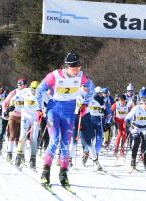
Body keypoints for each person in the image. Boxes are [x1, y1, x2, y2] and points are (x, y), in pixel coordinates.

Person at [36, 52, 94, 188]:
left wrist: (85, 104)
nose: (77, 71)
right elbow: (39, 90)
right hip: (53, 111)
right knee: (54, 139)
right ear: (67, 67)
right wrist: (39, 109)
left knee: (65, 144)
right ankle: (45, 172)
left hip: (69, 112)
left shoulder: (81, 76)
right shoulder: (54, 76)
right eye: (74, 69)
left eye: (79, 68)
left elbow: (91, 88)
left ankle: (63, 173)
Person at [79, 86, 112, 171]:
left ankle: (95, 156)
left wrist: (107, 122)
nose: (100, 95)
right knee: (89, 139)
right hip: (90, 121)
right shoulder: (90, 100)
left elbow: (109, 114)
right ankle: (86, 153)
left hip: (99, 121)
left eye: (101, 94)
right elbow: (82, 109)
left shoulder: (104, 102)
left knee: (99, 139)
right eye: (98, 94)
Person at [15, 81, 42, 169]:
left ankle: (32, 159)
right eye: (32, 89)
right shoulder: (25, 91)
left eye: (36, 90)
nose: (34, 91)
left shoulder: (42, 93)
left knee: (34, 138)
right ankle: (19, 156)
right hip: (25, 117)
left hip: (35, 119)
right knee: (22, 135)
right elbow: (15, 98)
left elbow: (49, 102)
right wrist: (12, 106)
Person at [125, 94, 146, 171]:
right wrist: (128, 124)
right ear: (142, 103)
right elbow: (127, 118)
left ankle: (145, 162)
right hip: (136, 127)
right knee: (136, 141)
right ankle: (133, 160)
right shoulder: (137, 108)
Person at [2, 78, 28, 161]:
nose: (21, 86)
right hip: (13, 116)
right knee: (12, 135)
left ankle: (21, 154)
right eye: (19, 85)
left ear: (26, 85)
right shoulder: (14, 92)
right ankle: (9, 153)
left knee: (22, 137)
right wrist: (5, 112)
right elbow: (5, 103)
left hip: (24, 117)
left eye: (23, 85)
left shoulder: (28, 93)